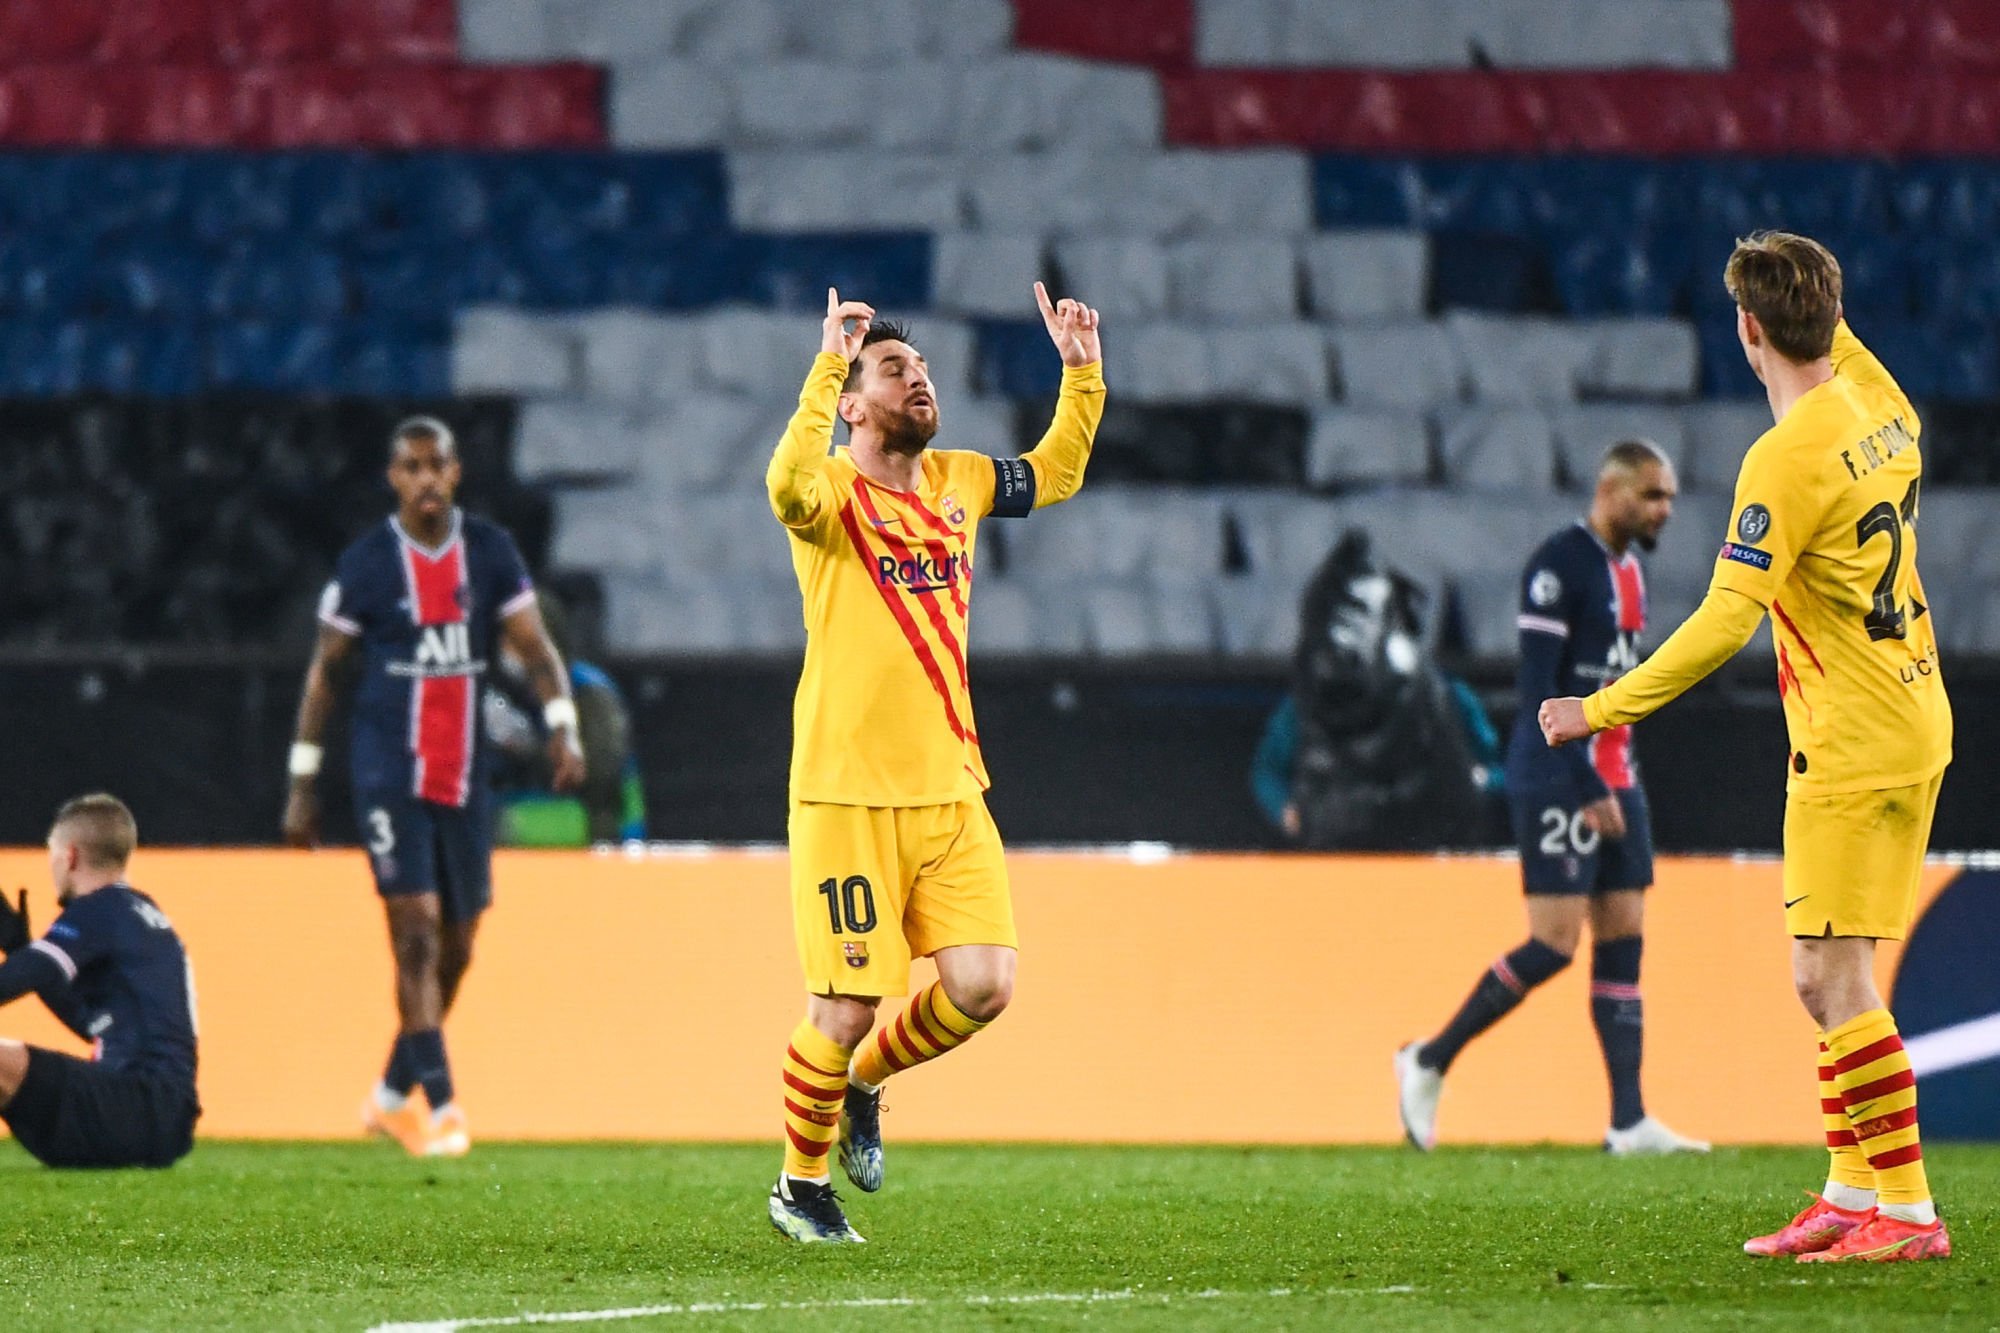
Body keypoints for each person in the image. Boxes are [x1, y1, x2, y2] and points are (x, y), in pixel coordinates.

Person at [1540, 232, 1952, 1262]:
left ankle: (1906, 1212)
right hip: (1913, 713)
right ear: (1832, 313)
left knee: (1830, 980)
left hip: (1849, 740)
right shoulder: (1885, 408)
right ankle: (1849, 1191)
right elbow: (1827, 331)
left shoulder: (1783, 457)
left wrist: (1600, 708)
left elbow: (1728, 619)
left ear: (1745, 328)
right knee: (1833, 969)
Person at [763, 285, 1103, 1243]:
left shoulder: (961, 480)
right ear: (853, 404)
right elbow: (784, 485)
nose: (918, 380)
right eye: (893, 370)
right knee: (843, 1007)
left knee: (985, 985)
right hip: (845, 795)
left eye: (922, 369)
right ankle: (799, 1186)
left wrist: (1082, 374)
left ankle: (864, 1084)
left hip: (950, 790)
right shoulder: (830, 493)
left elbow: (1055, 473)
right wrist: (828, 362)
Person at [283, 417, 584, 1158]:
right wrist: (303, 779)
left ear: (454, 473)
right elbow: (326, 673)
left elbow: (535, 648)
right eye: (411, 467)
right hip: (388, 768)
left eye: (436, 465)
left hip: (463, 772)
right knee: (415, 931)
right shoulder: (367, 564)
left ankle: (390, 1096)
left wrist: (563, 726)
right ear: (394, 477)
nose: (424, 479)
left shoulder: (488, 552)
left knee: (459, 943)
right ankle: (444, 1107)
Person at [1395, 441, 1707, 1156]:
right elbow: (1539, 686)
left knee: (1624, 933)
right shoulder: (1557, 565)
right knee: (1555, 942)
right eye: (1653, 495)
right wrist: (1584, 782)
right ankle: (1428, 1060)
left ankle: (1628, 1120)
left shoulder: (1632, 569)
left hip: (1619, 770)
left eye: (1669, 496)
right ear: (1610, 490)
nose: (1665, 509)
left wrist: (1612, 776)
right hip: (1558, 772)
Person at [0, 794, 199, 1169]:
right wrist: (19, 949)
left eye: (52, 854)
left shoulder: (99, 909)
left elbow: (30, 973)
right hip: (162, 1118)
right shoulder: (141, 913)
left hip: (136, 1104)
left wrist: (24, 956)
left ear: (71, 856)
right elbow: (88, 1023)